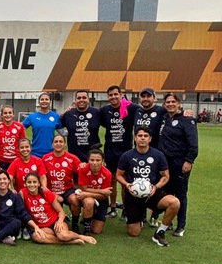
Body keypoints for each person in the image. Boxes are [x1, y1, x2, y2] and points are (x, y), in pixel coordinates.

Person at [116, 126, 180, 247]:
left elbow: (165, 176)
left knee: (174, 202)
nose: (142, 138)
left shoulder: (158, 155)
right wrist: (127, 184)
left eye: (145, 136)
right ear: (135, 138)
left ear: (150, 139)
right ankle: (138, 218)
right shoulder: (127, 155)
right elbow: (119, 175)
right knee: (133, 233)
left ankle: (160, 232)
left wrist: (156, 187)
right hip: (133, 195)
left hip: (152, 193)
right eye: (140, 136)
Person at [158, 93, 198, 237]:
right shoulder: (164, 118)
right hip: (165, 163)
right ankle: (168, 222)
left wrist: (189, 160)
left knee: (180, 194)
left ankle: (181, 226)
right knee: (167, 193)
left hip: (180, 163)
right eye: (167, 102)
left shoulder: (187, 120)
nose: (170, 104)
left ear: (179, 103)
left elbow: (193, 144)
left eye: (173, 102)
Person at [21, 172, 97, 246]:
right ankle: (70, 242)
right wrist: (36, 228)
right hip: (43, 227)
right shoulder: (23, 193)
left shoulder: (46, 193)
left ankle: (80, 236)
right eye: (29, 182)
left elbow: (61, 211)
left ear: (39, 183)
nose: (32, 185)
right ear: (25, 184)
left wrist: (60, 222)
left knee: (64, 236)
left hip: (55, 221)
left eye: (34, 182)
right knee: (36, 237)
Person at [100, 85, 139, 218]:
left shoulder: (132, 108)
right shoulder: (105, 110)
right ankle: (112, 208)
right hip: (110, 150)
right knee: (111, 181)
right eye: (110, 95)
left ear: (121, 94)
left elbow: (147, 112)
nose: (113, 97)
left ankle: (126, 210)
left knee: (125, 182)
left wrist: (184, 112)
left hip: (126, 151)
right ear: (108, 97)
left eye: (116, 94)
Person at [42, 134, 82, 230]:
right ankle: (60, 220)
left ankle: (75, 223)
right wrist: (47, 191)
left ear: (65, 144)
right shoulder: (45, 158)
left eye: (61, 141)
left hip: (67, 189)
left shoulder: (72, 158)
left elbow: (82, 172)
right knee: (55, 220)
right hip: (52, 191)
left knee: (75, 200)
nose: (58, 144)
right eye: (56, 142)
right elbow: (41, 176)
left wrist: (84, 165)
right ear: (52, 144)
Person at [76, 148, 113, 235]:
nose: (95, 163)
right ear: (88, 160)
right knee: (89, 202)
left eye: (98, 160)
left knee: (96, 231)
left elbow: (104, 195)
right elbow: (84, 188)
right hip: (86, 197)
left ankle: (90, 216)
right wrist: (101, 191)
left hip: (101, 199)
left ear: (102, 161)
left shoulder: (107, 173)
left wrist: (87, 194)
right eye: (92, 160)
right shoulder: (83, 169)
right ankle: (86, 229)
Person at [60, 90, 101, 161]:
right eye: (79, 98)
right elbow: (57, 124)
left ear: (88, 99)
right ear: (75, 100)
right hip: (73, 156)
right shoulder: (69, 114)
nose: (81, 100)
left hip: (92, 156)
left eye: (84, 97)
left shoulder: (97, 113)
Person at [23, 93, 63, 158]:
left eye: (46, 99)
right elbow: (20, 128)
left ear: (50, 101)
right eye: (42, 99)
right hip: (35, 153)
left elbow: (62, 133)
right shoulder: (32, 117)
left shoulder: (56, 116)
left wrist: (75, 130)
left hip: (51, 153)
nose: (44, 101)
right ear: (39, 102)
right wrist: (25, 142)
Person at [0, 106, 26, 170]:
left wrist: (22, 157)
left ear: (13, 114)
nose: (8, 115)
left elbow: (23, 143)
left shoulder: (19, 127)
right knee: (3, 179)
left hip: (16, 159)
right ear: (2, 115)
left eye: (10, 113)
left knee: (16, 179)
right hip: (2, 160)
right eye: (5, 113)